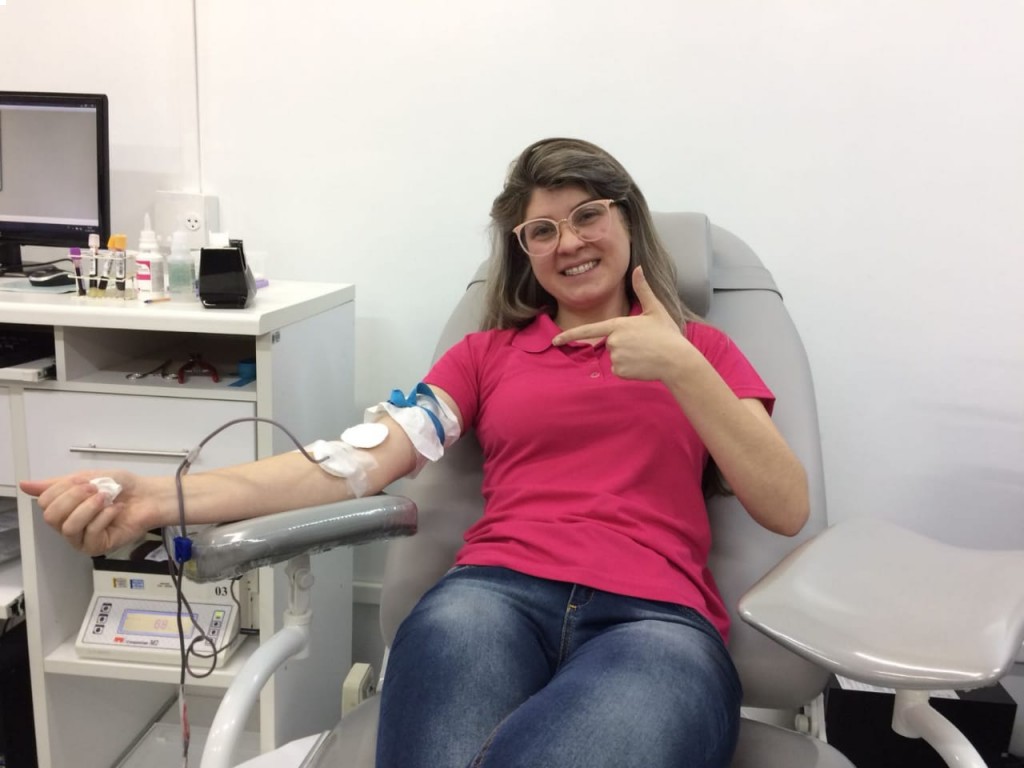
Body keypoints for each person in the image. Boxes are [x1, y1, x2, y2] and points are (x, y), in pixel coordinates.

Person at [22, 137, 809, 768]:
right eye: (542, 230)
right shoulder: (487, 356)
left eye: (588, 215)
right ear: (523, 251)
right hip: (492, 600)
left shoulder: (704, 352)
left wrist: (679, 365)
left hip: (658, 624)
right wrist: (162, 498)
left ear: (627, 219)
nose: (568, 242)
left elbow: (785, 505)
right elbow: (349, 463)